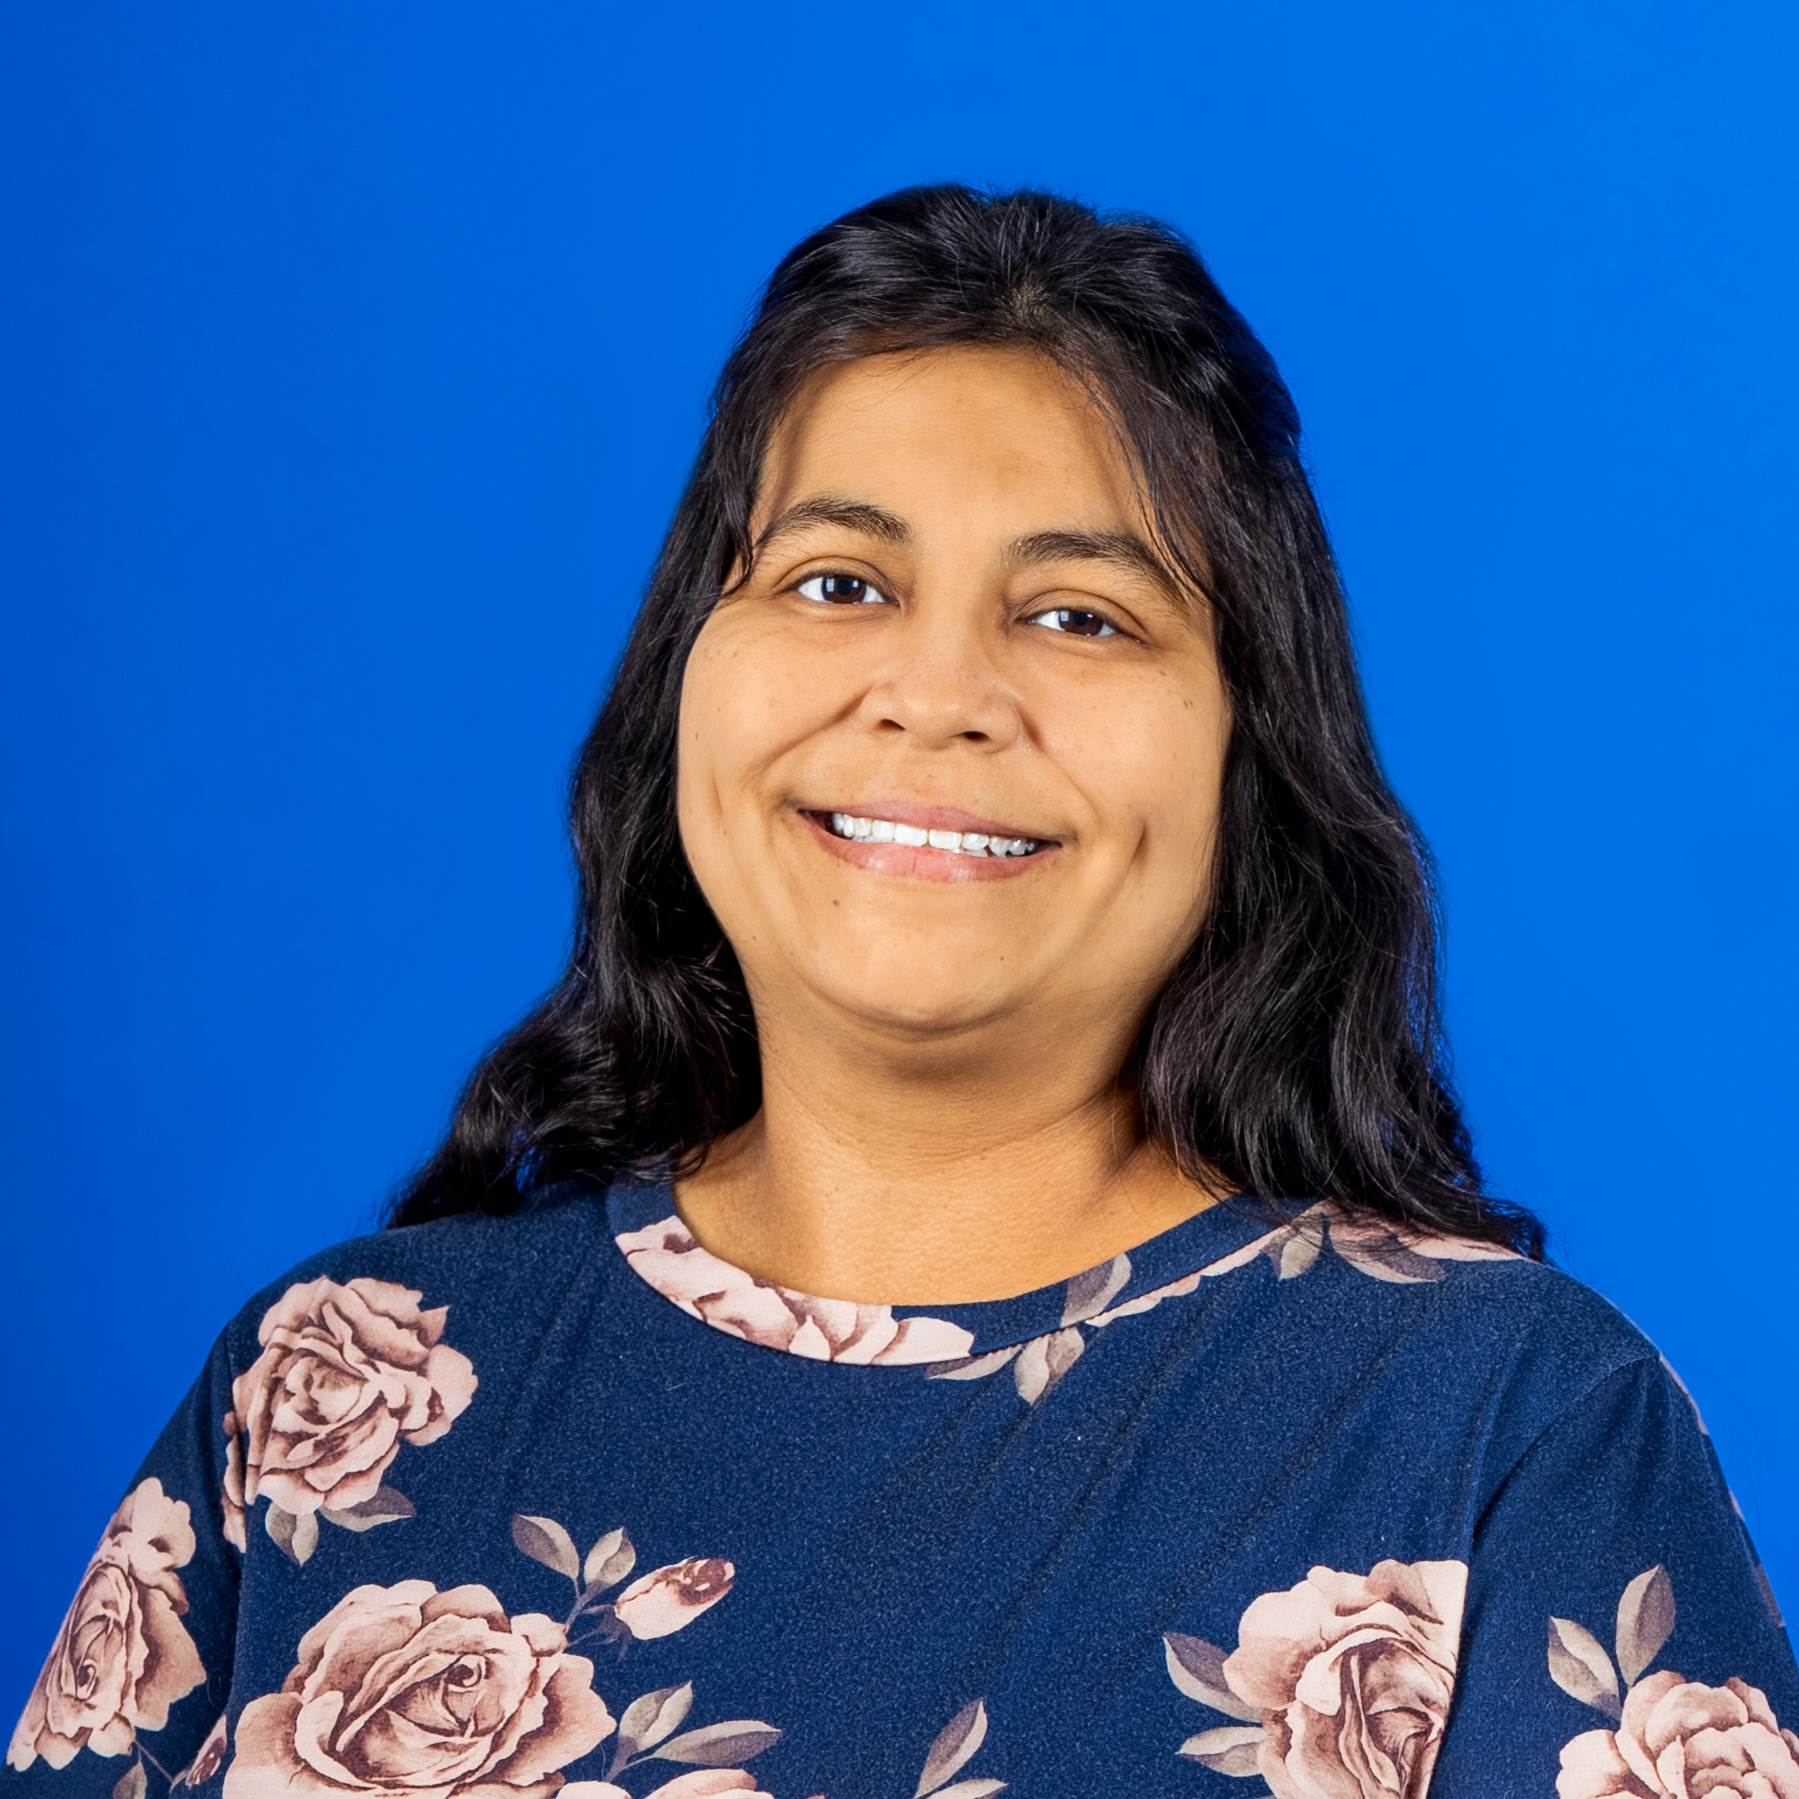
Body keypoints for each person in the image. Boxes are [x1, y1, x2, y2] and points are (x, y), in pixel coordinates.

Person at [6, 185, 1794, 1799]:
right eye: (839, 580)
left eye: (1081, 614)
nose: (937, 694)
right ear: (685, 681)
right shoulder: (328, 1390)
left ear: (1247, 758)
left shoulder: (1506, 1429)